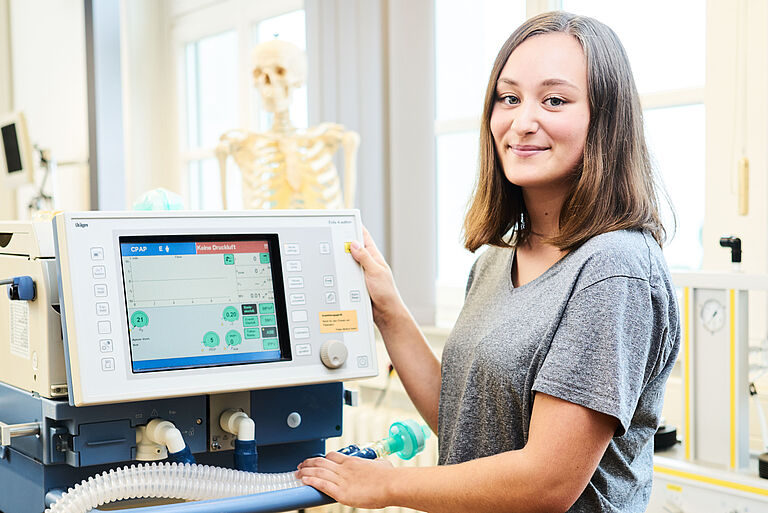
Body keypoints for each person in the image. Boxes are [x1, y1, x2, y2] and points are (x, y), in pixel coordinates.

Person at [297, 10, 680, 513]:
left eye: (555, 100)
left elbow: (544, 483)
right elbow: (463, 419)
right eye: (509, 97)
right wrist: (387, 308)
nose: (522, 122)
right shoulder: (498, 259)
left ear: (604, 119)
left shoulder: (614, 270)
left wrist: (386, 486)